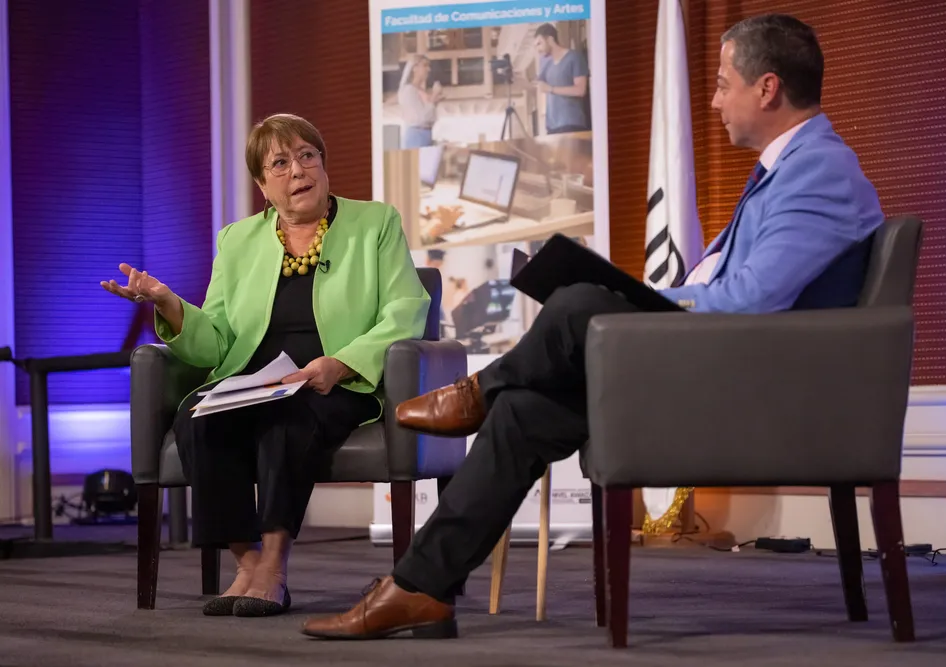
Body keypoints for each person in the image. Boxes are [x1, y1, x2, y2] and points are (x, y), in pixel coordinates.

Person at [300, 14, 884, 640]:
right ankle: (422, 588)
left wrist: (637, 307)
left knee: (579, 302)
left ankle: (478, 391)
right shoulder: (789, 166)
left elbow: (752, 300)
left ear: (767, 89)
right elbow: (733, 290)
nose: (714, 99)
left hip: (756, 393)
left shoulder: (818, 170)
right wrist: (643, 301)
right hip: (723, 369)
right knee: (523, 412)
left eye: (721, 83)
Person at [101, 113, 430, 618]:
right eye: (281, 162)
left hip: (332, 381)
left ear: (323, 164)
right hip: (254, 379)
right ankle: (247, 562)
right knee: (196, 415)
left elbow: (406, 309)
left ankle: (274, 570)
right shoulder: (237, 240)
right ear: (262, 185)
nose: (298, 169)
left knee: (287, 421)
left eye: (307, 156)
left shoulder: (375, 223)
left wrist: (340, 364)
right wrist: (168, 303)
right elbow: (216, 340)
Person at [533, 23, 590, 134]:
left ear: (550, 39)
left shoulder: (574, 57)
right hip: (551, 127)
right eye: (535, 46)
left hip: (572, 123)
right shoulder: (545, 62)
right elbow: (539, 84)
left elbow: (580, 90)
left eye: (539, 43)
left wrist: (551, 89)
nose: (538, 49)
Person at [398, 55, 442, 149]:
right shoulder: (408, 90)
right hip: (416, 136)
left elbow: (429, 116)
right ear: (415, 68)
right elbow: (421, 117)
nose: (428, 69)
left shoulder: (420, 90)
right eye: (425, 65)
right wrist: (434, 96)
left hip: (425, 134)